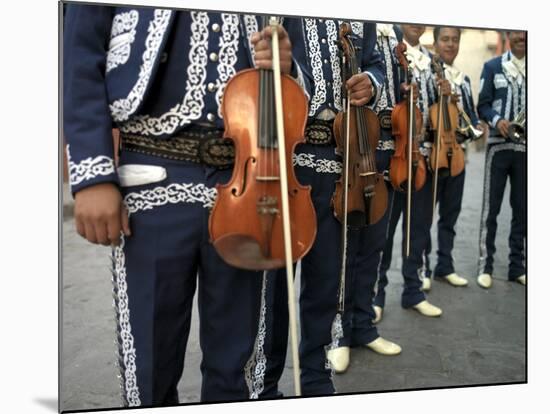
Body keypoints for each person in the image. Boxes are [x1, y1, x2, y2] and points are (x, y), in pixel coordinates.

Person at [64, 4, 310, 406]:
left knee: (240, 362)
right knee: (149, 362)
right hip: (151, 173)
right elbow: (80, 55)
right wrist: (93, 175)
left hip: (249, 181)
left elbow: (303, 74)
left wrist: (289, 67)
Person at [260, 18, 399, 395]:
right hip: (289, 156)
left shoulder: (360, 17)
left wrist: (370, 81)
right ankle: (264, 383)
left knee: (327, 279)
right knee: (272, 286)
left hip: (343, 163)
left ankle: (317, 379)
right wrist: (285, 66)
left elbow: (374, 61)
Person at [373, 24, 451, 323]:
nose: (416, 23)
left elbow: (435, 110)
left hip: (424, 157)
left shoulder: (434, 62)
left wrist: (444, 95)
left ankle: (414, 291)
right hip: (395, 157)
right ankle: (375, 296)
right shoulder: (388, 52)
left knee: (419, 229)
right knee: (385, 232)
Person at [420, 26, 486, 292]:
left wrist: (462, 110)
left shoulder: (464, 80)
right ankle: (421, 268)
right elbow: (426, 113)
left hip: (457, 155)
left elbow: (471, 117)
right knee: (425, 216)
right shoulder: (429, 74)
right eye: (445, 39)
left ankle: (444, 266)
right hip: (434, 155)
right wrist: (441, 95)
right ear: (435, 43)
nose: (450, 44)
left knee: (450, 215)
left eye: (454, 40)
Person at [476, 31, 526, 289]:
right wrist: (497, 121)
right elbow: (482, 105)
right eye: (516, 32)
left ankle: (518, 266)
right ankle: (485, 266)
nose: (521, 37)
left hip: (528, 150)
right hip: (498, 147)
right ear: (508, 35)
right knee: (490, 209)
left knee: (524, 210)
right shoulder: (492, 66)